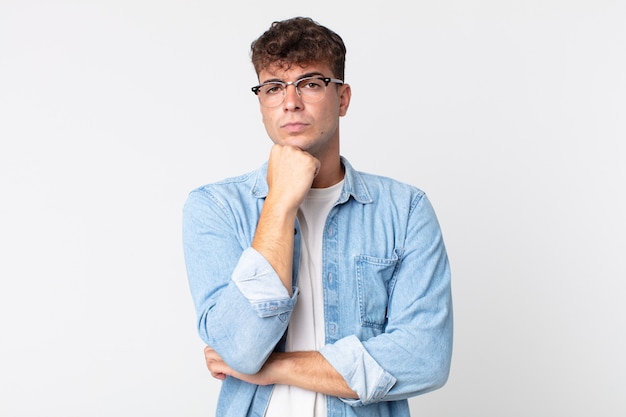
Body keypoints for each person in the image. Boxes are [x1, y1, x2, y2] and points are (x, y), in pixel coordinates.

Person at [182, 16, 453, 417]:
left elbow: (424, 357)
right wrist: (279, 203)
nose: (290, 101)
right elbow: (241, 347)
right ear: (261, 104)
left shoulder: (405, 210)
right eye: (274, 87)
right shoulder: (215, 208)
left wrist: (272, 368)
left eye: (310, 83)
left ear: (342, 98)